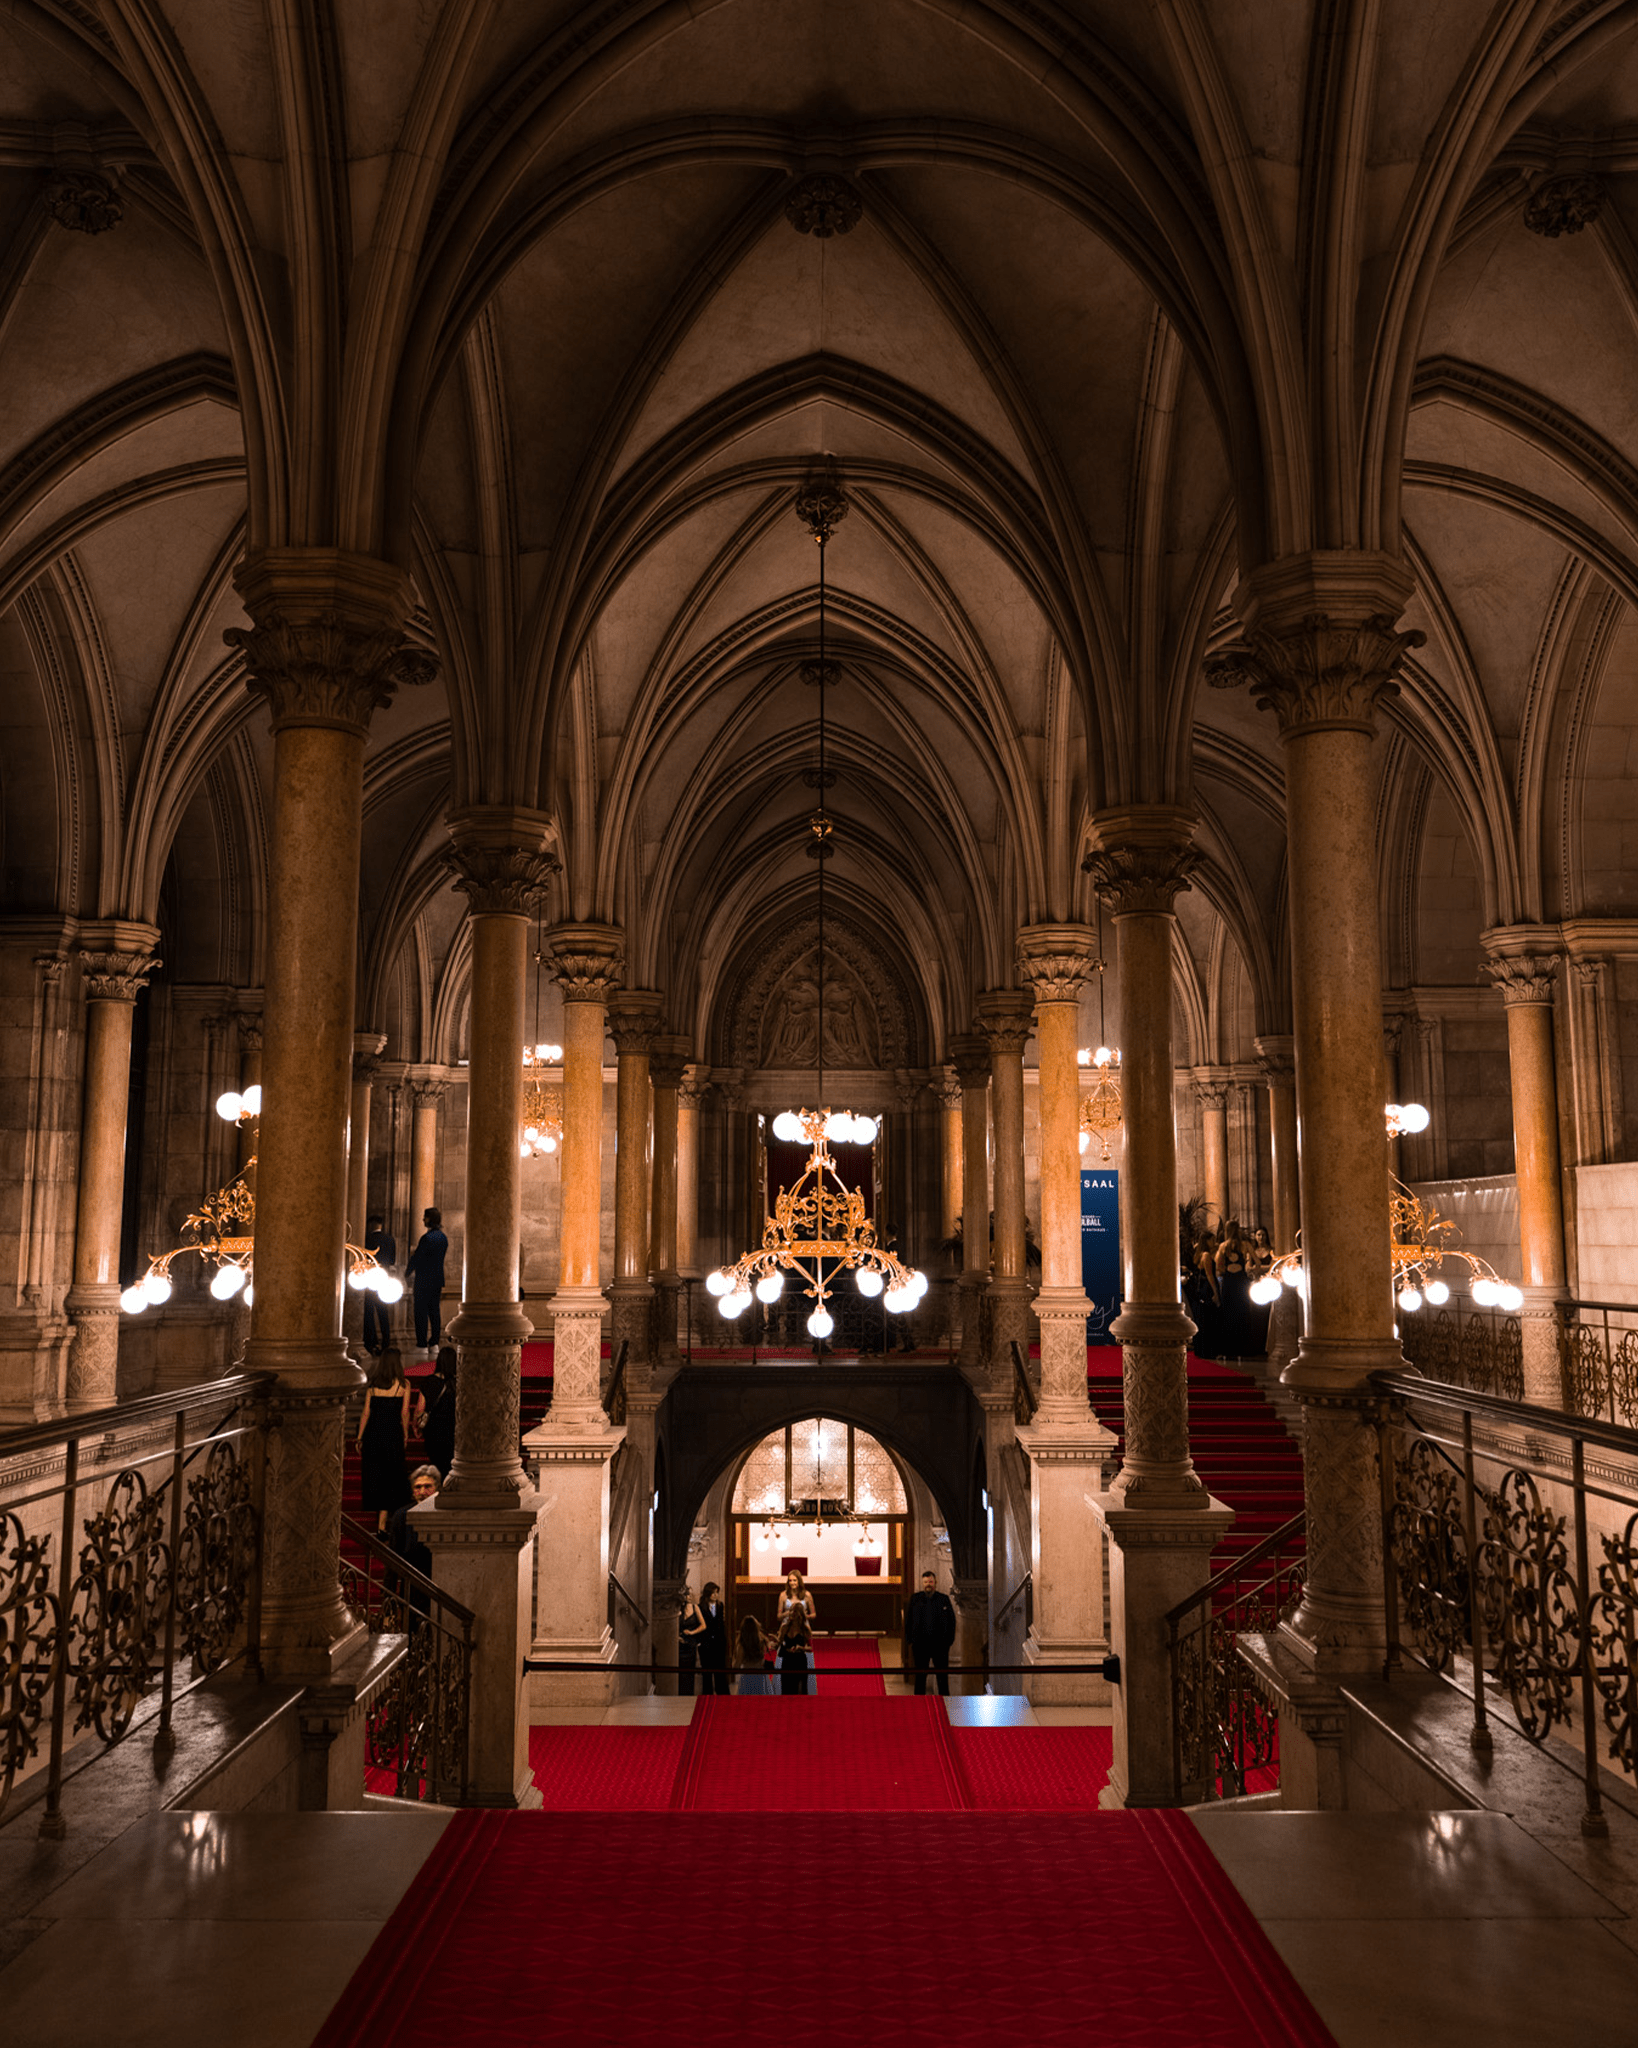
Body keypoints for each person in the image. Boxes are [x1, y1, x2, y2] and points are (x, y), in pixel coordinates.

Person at [356, 1351, 413, 1531]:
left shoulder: (373, 1385)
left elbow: (366, 1412)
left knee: (377, 1474)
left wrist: (359, 1437)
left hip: (373, 1434)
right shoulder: (403, 1385)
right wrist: (405, 1434)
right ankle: (383, 1522)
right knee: (392, 1475)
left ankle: (380, 1521)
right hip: (392, 1434)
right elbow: (405, 1413)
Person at [384, 1464, 440, 1617]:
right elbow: (392, 1561)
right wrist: (388, 1601)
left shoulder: (445, 1515)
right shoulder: (402, 1516)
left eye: (427, 1486)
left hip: (439, 1587)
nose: (422, 1492)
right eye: (417, 1487)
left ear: (437, 1489)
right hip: (412, 1592)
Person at [903, 1569, 957, 1696]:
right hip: (920, 1645)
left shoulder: (943, 1599)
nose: (928, 1584)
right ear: (922, 1583)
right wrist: (910, 1640)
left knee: (942, 1678)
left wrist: (948, 1642)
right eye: (926, 1582)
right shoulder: (915, 1599)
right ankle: (919, 1703)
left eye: (931, 1582)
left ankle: (944, 1702)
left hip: (940, 1646)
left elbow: (952, 1621)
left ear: (935, 1583)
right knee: (920, 1678)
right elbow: (908, 1620)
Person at [405, 1206, 448, 1356]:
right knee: (435, 1312)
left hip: (423, 1280)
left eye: (425, 1217)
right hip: (437, 1280)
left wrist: (407, 1272)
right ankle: (434, 1343)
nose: (423, 1219)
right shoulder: (443, 1238)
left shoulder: (426, 1238)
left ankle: (422, 1344)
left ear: (430, 1219)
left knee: (421, 1312)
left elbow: (418, 1258)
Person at [420, 1345, 457, 1476]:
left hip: (433, 1431)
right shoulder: (458, 1383)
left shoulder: (428, 1382)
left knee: (437, 1465)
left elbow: (420, 1408)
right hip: (452, 1431)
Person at [362, 1212, 396, 1355]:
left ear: (371, 1225)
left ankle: (371, 1342)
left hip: (369, 1280)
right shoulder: (390, 1239)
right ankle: (386, 1342)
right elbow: (392, 1260)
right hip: (384, 1280)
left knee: (369, 1313)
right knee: (383, 1313)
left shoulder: (367, 1239)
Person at [698, 1581, 730, 1695]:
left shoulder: (720, 1605)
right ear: (708, 1594)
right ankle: (707, 1693)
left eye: (717, 1592)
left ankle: (722, 1692)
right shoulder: (701, 1607)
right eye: (713, 1593)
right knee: (706, 1670)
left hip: (719, 1642)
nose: (716, 1595)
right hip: (706, 1642)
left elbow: (721, 1624)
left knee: (720, 1668)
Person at [776, 1604, 812, 1695]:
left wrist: (801, 1648)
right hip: (787, 1660)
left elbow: (811, 1648)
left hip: (800, 1661)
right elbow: (778, 1643)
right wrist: (774, 1642)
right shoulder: (784, 1627)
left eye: (795, 1611)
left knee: (800, 1690)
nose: (792, 1613)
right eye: (791, 1610)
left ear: (800, 1614)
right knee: (786, 1689)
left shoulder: (805, 1629)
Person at [736, 1613, 774, 1694]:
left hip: (747, 1677)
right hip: (760, 1676)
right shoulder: (762, 1642)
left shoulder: (742, 1645)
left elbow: (737, 1666)